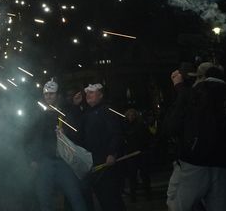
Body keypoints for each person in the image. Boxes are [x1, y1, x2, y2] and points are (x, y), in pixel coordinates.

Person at [165, 63, 226, 211]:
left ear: (200, 77)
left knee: (178, 205)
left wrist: (179, 90)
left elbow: (171, 126)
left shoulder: (193, 94)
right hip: (223, 162)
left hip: (194, 161)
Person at [26, 79, 88, 211]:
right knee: (44, 198)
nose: (48, 96)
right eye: (46, 94)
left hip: (63, 162)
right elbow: (31, 137)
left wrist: (66, 131)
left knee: (75, 195)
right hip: (45, 162)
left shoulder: (65, 111)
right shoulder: (38, 113)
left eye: (52, 94)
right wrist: (32, 158)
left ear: (57, 95)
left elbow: (78, 130)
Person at [80, 83, 124, 211]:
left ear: (100, 95)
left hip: (105, 163)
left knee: (111, 199)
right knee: (101, 199)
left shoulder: (106, 111)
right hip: (92, 163)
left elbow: (116, 133)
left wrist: (112, 153)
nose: (88, 95)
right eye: (87, 93)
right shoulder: (87, 113)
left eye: (92, 92)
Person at [123, 109, 151, 200]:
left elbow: (145, 137)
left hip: (140, 152)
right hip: (131, 153)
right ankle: (133, 195)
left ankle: (147, 193)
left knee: (144, 174)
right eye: (129, 115)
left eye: (133, 115)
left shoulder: (140, 125)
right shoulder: (125, 126)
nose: (131, 117)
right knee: (132, 175)